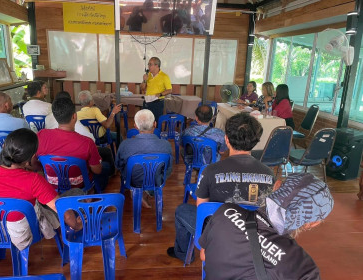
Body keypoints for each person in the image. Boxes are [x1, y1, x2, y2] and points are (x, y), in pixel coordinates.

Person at [167, 113, 275, 263]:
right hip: (252, 237)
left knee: (182, 210)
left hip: (217, 236)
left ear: (226, 139)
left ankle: (183, 253)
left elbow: (202, 210)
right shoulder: (269, 174)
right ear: (255, 141)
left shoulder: (210, 171)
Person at [199, 173, 334, 280]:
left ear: (276, 186)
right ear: (312, 223)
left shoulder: (225, 211)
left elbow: (204, 255)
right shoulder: (304, 269)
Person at [0, 128, 82, 251]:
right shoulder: (34, 180)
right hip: (23, 235)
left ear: (3, 146)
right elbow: (64, 211)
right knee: (77, 193)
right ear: (31, 158)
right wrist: (77, 225)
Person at [35, 97, 111, 191]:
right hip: (80, 186)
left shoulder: (41, 136)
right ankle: (96, 192)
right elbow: (97, 170)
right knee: (106, 166)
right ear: (74, 116)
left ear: (55, 116)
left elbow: (32, 162)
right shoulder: (87, 142)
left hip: (52, 186)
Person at [115, 109, 173, 208]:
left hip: (132, 180)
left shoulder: (125, 144)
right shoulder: (166, 145)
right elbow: (168, 169)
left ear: (135, 126)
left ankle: (134, 190)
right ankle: (147, 191)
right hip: (155, 181)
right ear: (155, 124)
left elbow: (118, 165)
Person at [141, 57, 172, 123]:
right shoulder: (148, 75)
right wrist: (144, 80)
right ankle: (146, 133)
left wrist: (160, 94)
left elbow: (169, 90)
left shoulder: (164, 76)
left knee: (155, 122)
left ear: (156, 65)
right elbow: (142, 88)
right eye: (148, 64)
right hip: (147, 102)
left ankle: (155, 133)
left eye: (150, 64)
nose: (148, 66)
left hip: (157, 103)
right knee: (145, 122)